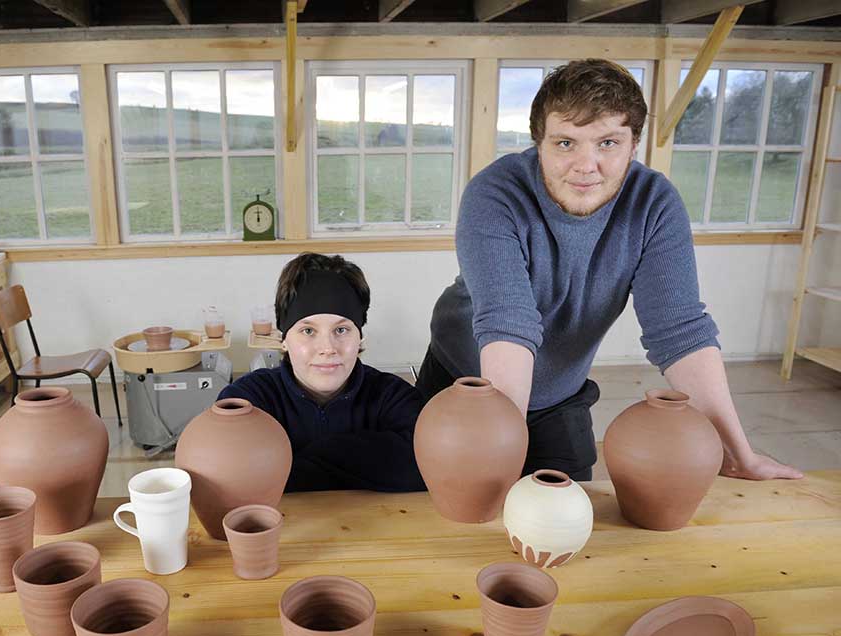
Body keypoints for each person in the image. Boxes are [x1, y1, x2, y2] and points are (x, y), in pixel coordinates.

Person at [418, 58, 801, 483]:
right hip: (465, 383)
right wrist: (500, 455)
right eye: (566, 144)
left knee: (568, 515)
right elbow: (509, 324)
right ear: (538, 142)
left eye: (607, 143)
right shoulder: (494, 194)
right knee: (452, 510)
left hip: (560, 391)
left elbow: (679, 330)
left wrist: (738, 454)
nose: (586, 165)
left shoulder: (654, 203)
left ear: (634, 144)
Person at [219, 252, 426, 492]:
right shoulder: (250, 398)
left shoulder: (393, 396)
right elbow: (231, 471)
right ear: (284, 339)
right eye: (308, 331)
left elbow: (429, 464)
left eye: (341, 330)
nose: (327, 348)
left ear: (360, 337)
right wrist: (369, 462)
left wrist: (300, 460)